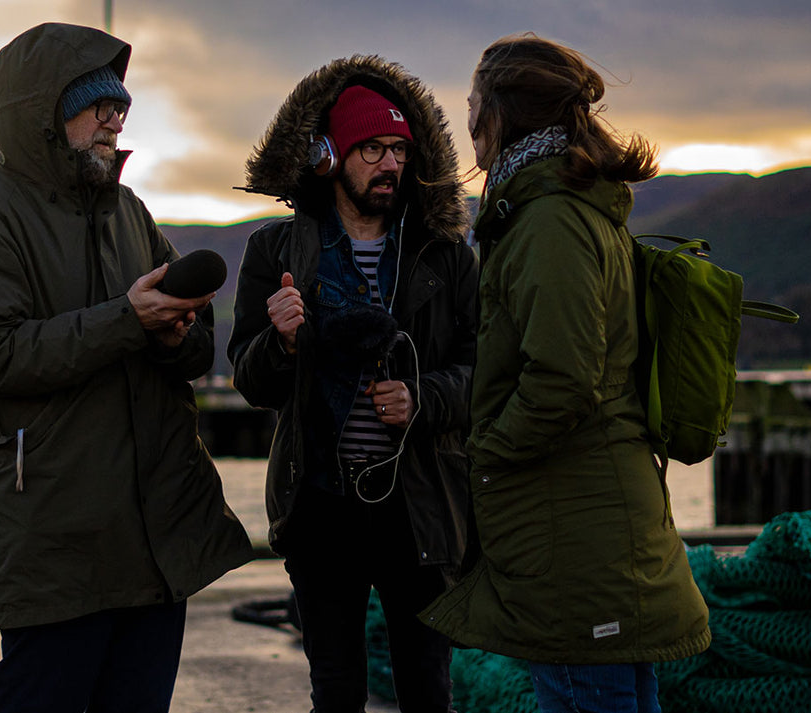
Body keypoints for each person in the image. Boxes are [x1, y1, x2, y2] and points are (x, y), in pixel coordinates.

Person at [0, 22, 254, 713]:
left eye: (121, 106)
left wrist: (173, 333)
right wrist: (128, 321)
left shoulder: (128, 211)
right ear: (39, 115)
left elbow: (194, 354)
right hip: (55, 540)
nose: (115, 118)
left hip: (152, 539)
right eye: (97, 103)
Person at [418, 34, 711, 713]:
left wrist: (485, 452)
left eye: (472, 103)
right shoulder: (561, 204)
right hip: (593, 519)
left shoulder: (549, 219)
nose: (466, 121)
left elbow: (562, 380)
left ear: (501, 112)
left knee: (586, 692)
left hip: (577, 532)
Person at [229, 57, 478, 713]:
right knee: (335, 692)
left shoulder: (446, 254)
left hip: (419, 501)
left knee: (428, 688)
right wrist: (280, 340)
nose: (390, 163)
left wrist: (424, 399)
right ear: (329, 155)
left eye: (399, 149)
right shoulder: (275, 253)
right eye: (372, 148)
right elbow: (249, 380)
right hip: (321, 504)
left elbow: (484, 369)